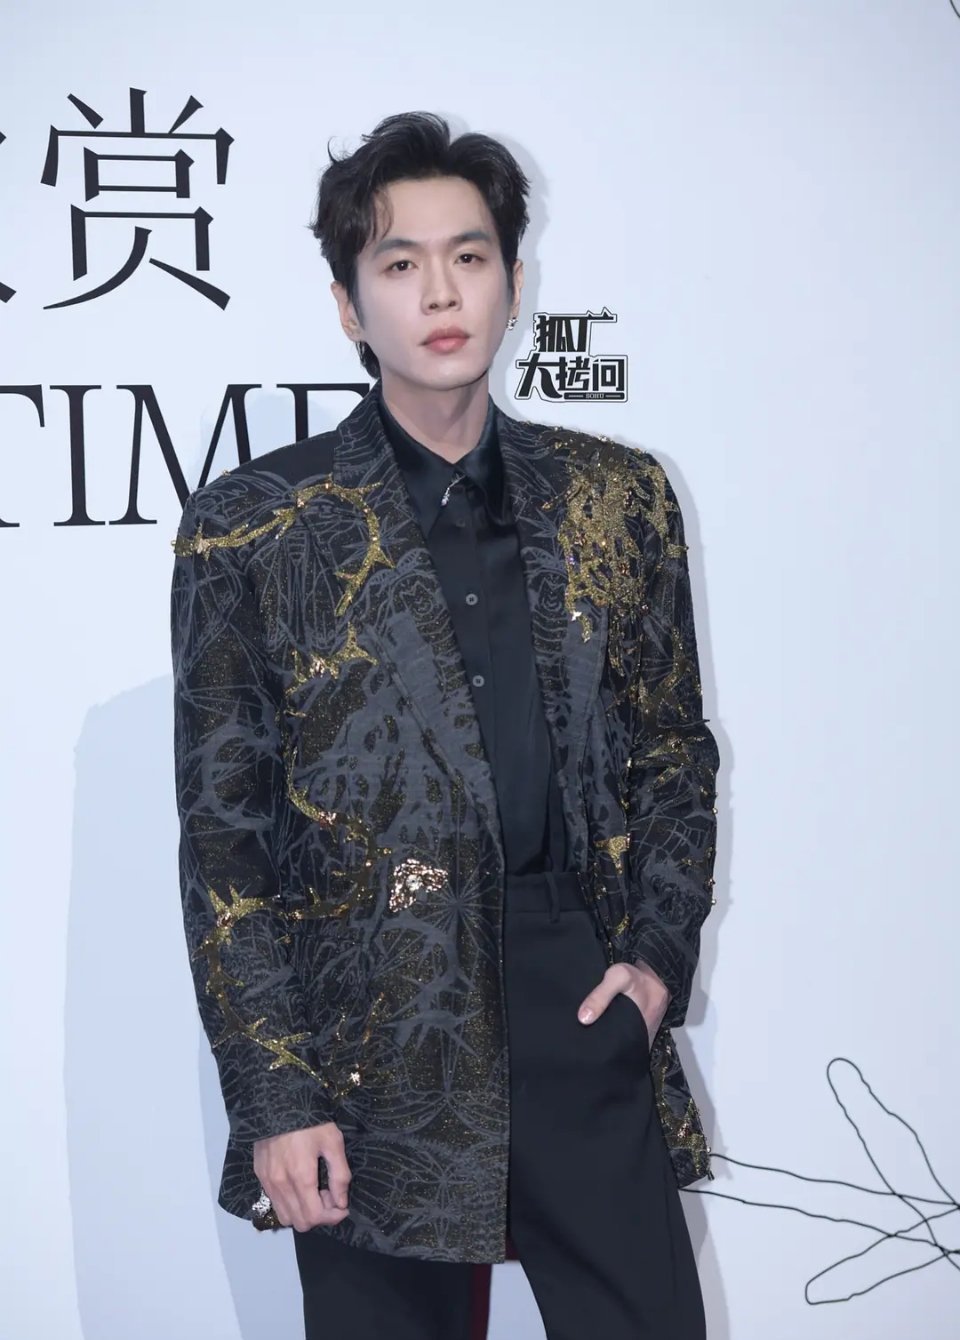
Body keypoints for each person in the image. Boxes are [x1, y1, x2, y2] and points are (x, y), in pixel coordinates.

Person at [170, 110, 720, 1340]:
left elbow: (674, 749)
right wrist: (276, 1092)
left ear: (513, 282)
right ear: (349, 305)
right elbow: (225, 840)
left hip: (577, 994)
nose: (439, 292)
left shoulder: (617, 498)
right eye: (399, 262)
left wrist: (654, 960)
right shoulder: (256, 525)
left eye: (468, 257)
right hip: (370, 1026)